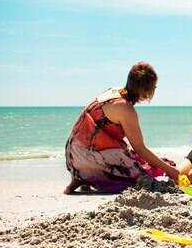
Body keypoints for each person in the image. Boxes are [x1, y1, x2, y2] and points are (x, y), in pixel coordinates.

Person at [64, 62, 179, 194]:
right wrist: (169, 170)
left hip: (73, 154)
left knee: (137, 158)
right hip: (88, 156)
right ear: (146, 89)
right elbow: (140, 148)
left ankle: (80, 178)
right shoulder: (126, 109)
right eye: (154, 86)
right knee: (145, 173)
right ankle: (92, 176)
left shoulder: (113, 91)